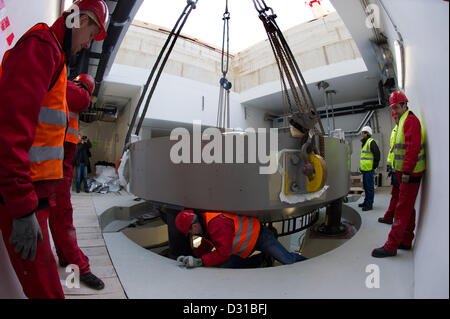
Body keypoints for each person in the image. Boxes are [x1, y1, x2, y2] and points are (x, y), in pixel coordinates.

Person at [0, 0, 108, 298]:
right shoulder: (41, 47)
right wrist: (22, 209)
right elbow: (10, 129)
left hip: (37, 191)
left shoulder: (53, 56)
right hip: (25, 194)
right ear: (83, 20)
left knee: (46, 283)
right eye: (90, 35)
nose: (87, 45)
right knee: (46, 289)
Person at [48, 75, 104, 290]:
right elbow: (82, 100)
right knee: (63, 215)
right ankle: (80, 267)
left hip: (59, 159)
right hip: (58, 161)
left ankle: (64, 255)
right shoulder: (72, 90)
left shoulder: (63, 92)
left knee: (56, 214)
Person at [372, 91, 426, 258]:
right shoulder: (403, 121)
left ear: (404, 104)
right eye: (392, 107)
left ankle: (391, 246)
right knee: (408, 210)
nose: (394, 110)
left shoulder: (410, 120)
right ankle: (406, 240)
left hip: (410, 173)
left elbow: (413, 148)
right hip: (406, 171)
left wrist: (407, 172)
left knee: (402, 210)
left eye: (396, 106)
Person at [174, 210, 307, 269]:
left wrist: (200, 261)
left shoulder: (216, 224)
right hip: (245, 248)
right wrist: (191, 257)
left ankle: (311, 265)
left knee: (288, 260)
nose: (191, 234)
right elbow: (207, 244)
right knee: (231, 270)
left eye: (190, 231)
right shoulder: (204, 225)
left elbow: (223, 253)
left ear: (195, 225)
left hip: (260, 237)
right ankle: (263, 258)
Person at [378, 110, 400, 225]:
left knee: (397, 196)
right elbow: (392, 150)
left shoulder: (401, 129)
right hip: (395, 167)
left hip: (400, 168)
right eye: (394, 118)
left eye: (397, 117)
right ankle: (390, 216)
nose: (396, 120)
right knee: (395, 195)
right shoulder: (395, 130)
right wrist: (389, 164)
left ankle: (392, 217)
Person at [358, 125, 380, 211]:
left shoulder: (371, 142)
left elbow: (377, 155)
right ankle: (366, 202)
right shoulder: (365, 142)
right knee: (366, 187)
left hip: (369, 170)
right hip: (365, 170)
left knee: (370, 187)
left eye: (363, 133)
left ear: (367, 134)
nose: (361, 134)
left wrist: (374, 166)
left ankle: (369, 204)